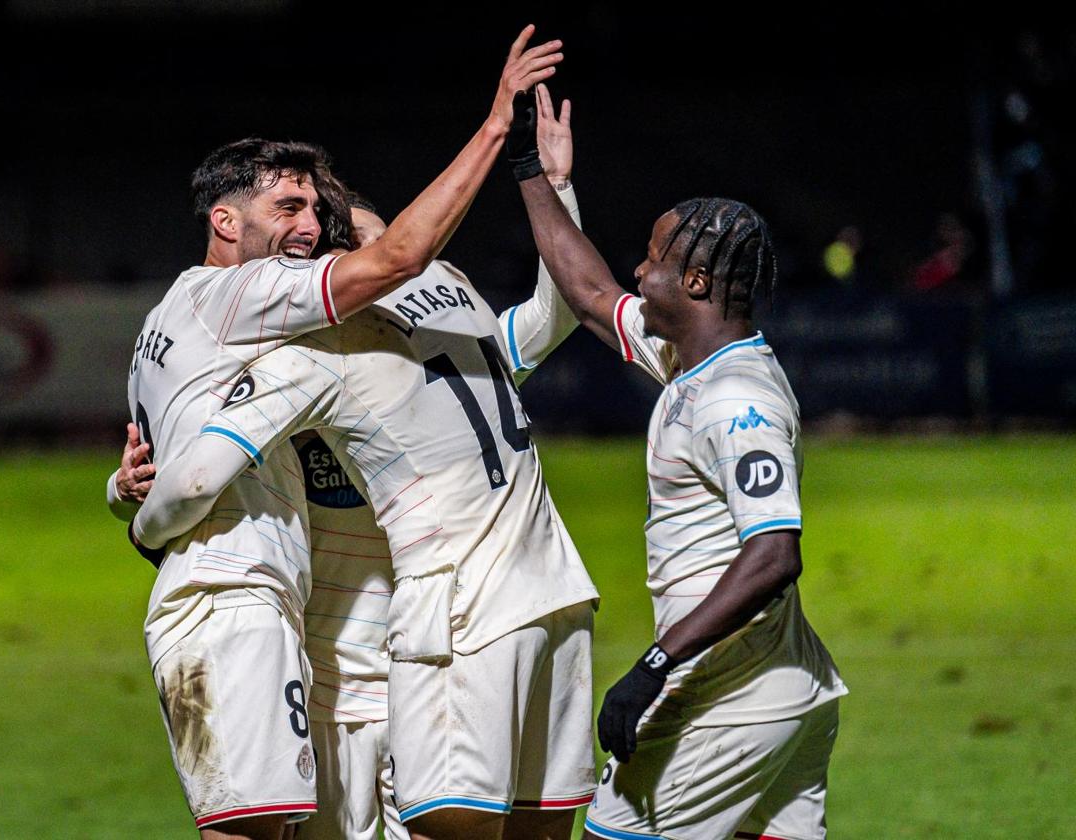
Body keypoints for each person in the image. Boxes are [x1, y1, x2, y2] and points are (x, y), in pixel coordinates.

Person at [113, 27, 565, 840]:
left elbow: (156, 465)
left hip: (361, 648)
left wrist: (124, 500)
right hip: (279, 626)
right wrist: (506, 138)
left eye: (322, 221)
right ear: (225, 221)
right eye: (292, 211)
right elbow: (401, 258)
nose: (313, 235)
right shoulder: (264, 312)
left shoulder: (186, 322)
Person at [510, 101, 848, 840]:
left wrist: (653, 666)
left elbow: (773, 555)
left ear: (695, 283)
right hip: (787, 690)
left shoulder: (735, 400)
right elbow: (592, 295)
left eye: (655, 258)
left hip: (724, 702)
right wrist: (534, 172)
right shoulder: (689, 361)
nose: (639, 268)